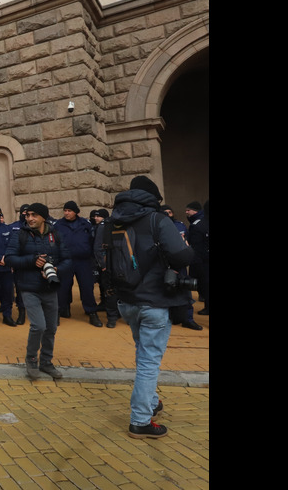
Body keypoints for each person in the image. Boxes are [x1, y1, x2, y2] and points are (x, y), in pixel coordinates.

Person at [96, 176, 195, 439]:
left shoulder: (110, 222)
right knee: (150, 362)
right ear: (152, 198)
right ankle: (140, 420)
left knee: (143, 354)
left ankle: (151, 402)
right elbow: (183, 255)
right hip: (154, 301)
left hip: (126, 301)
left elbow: (101, 257)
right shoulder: (157, 219)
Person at [5, 203, 71, 380]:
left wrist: (56, 270)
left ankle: (46, 362)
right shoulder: (19, 235)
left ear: (43, 217)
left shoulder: (55, 235)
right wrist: (32, 261)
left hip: (50, 287)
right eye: (27, 215)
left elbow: (67, 260)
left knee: (51, 328)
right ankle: (31, 360)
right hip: (29, 288)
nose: (30, 218)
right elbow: (9, 258)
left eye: (34, 215)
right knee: (38, 326)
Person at [53, 201, 107, 327]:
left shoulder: (85, 223)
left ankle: (92, 313)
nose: (66, 213)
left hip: (83, 261)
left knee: (87, 287)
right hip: (65, 260)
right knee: (62, 288)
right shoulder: (58, 225)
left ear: (76, 212)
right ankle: (59, 311)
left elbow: (93, 240)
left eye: (69, 211)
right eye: (65, 210)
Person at [161, 205, 202, 331]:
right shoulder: (159, 226)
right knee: (165, 292)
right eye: (165, 212)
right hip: (165, 265)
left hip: (180, 263)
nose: (168, 214)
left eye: (170, 212)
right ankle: (167, 319)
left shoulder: (180, 225)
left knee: (186, 292)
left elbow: (188, 242)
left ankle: (188, 319)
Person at [186, 201, 209, 316]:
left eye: (188, 210)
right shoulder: (199, 224)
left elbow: (196, 247)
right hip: (203, 261)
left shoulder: (198, 225)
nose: (186, 212)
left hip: (203, 262)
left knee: (205, 285)